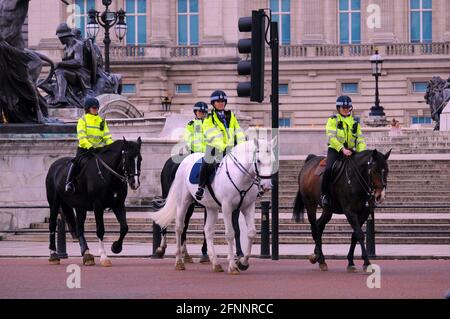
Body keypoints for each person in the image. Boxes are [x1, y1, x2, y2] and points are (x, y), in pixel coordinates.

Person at [195, 90, 246, 201]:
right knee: (207, 162)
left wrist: (242, 144)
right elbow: (211, 133)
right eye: (218, 101)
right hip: (215, 147)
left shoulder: (230, 115)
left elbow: (238, 130)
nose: (221, 103)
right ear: (213, 103)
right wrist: (223, 147)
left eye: (223, 101)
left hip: (230, 148)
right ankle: (201, 187)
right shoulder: (209, 117)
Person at [320, 95, 366, 208]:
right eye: (343, 108)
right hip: (335, 150)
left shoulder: (355, 122)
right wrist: (342, 149)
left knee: (364, 168)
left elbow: (360, 139)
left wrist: (361, 154)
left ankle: (365, 194)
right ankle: (324, 195)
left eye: (347, 108)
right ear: (338, 108)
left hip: (351, 151)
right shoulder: (333, 120)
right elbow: (331, 137)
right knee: (329, 168)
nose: (345, 110)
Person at [65, 97, 113, 193]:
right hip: (85, 150)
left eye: (96, 108)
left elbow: (107, 137)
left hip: (99, 151)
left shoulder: (102, 121)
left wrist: (111, 146)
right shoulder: (82, 120)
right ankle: (69, 183)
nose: (95, 109)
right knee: (76, 163)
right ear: (88, 108)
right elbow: (82, 137)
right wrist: (90, 146)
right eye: (93, 108)